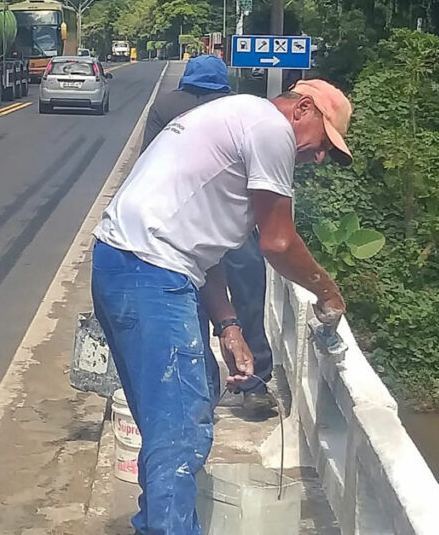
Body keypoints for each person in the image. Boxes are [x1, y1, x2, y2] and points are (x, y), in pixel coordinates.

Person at [93, 80, 351, 535]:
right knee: (181, 433)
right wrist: (327, 292)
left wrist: (228, 328)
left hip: (125, 265)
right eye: (324, 141)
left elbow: (204, 250)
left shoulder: (237, 116)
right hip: (152, 272)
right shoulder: (271, 128)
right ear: (303, 108)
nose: (321, 156)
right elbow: (278, 241)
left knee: (166, 426)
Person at [140, 55, 274, 403]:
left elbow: (146, 165)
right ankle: (255, 380)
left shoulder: (166, 106)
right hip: (229, 218)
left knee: (191, 299)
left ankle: (203, 386)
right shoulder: (233, 108)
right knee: (248, 288)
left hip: (179, 222)